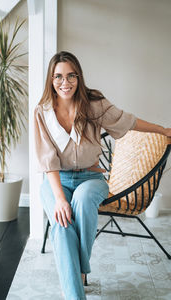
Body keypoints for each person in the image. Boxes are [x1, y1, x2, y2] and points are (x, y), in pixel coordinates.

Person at [34, 51, 171, 300]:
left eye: (71, 76)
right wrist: (60, 199)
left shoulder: (93, 103)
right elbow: (47, 161)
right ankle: (77, 292)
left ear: (79, 76)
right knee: (62, 224)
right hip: (57, 182)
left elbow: (127, 121)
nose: (65, 83)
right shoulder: (42, 112)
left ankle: (78, 271)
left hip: (91, 179)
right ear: (51, 80)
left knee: (84, 200)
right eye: (59, 77)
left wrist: (162, 129)